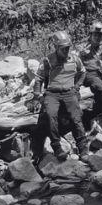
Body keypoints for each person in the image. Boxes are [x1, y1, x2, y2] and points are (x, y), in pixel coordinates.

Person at [31, 31, 87, 161]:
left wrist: (77, 87)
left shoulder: (74, 59)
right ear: (56, 48)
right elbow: (38, 79)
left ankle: (83, 148)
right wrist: (37, 97)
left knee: (76, 117)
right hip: (52, 93)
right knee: (51, 116)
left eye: (68, 48)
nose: (66, 51)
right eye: (63, 48)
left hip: (69, 92)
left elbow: (82, 72)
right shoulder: (47, 61)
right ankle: (57, 148)